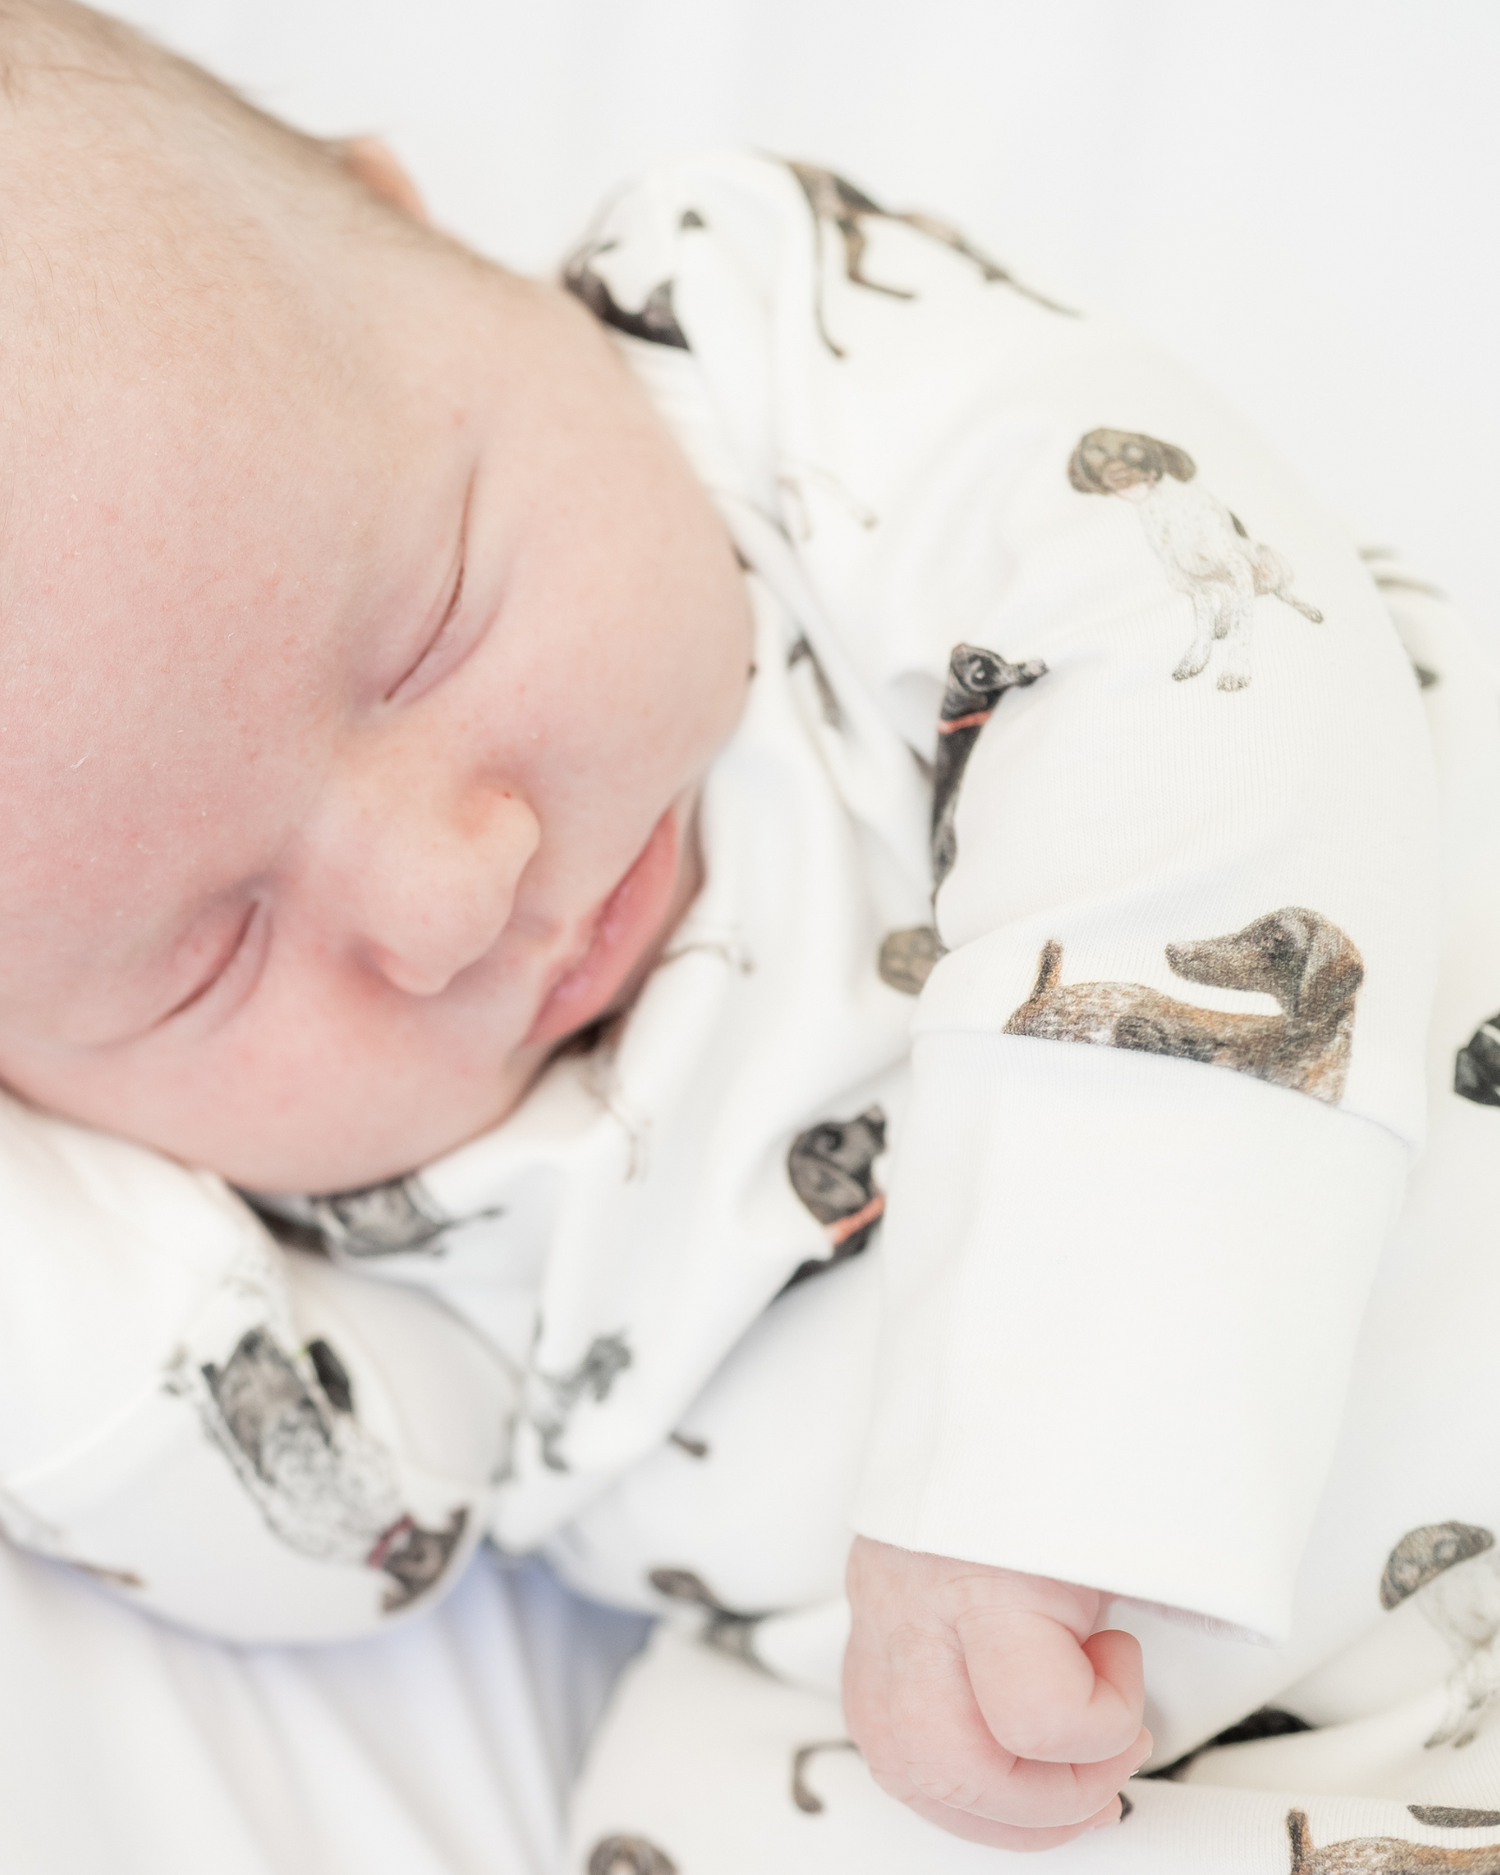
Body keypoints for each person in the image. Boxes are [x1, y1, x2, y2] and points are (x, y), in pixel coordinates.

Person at [1, 4, 1498, 1871]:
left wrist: (1032, 1459)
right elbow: (340, 1516)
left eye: (434, 626)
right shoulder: (285, 1193)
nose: (453, 893)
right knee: (684, 1812)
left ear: (447, 254)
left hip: (1437, 1194)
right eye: (204, 951)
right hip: (1065, 1742)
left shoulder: (768, 357)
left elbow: (1209, 672)